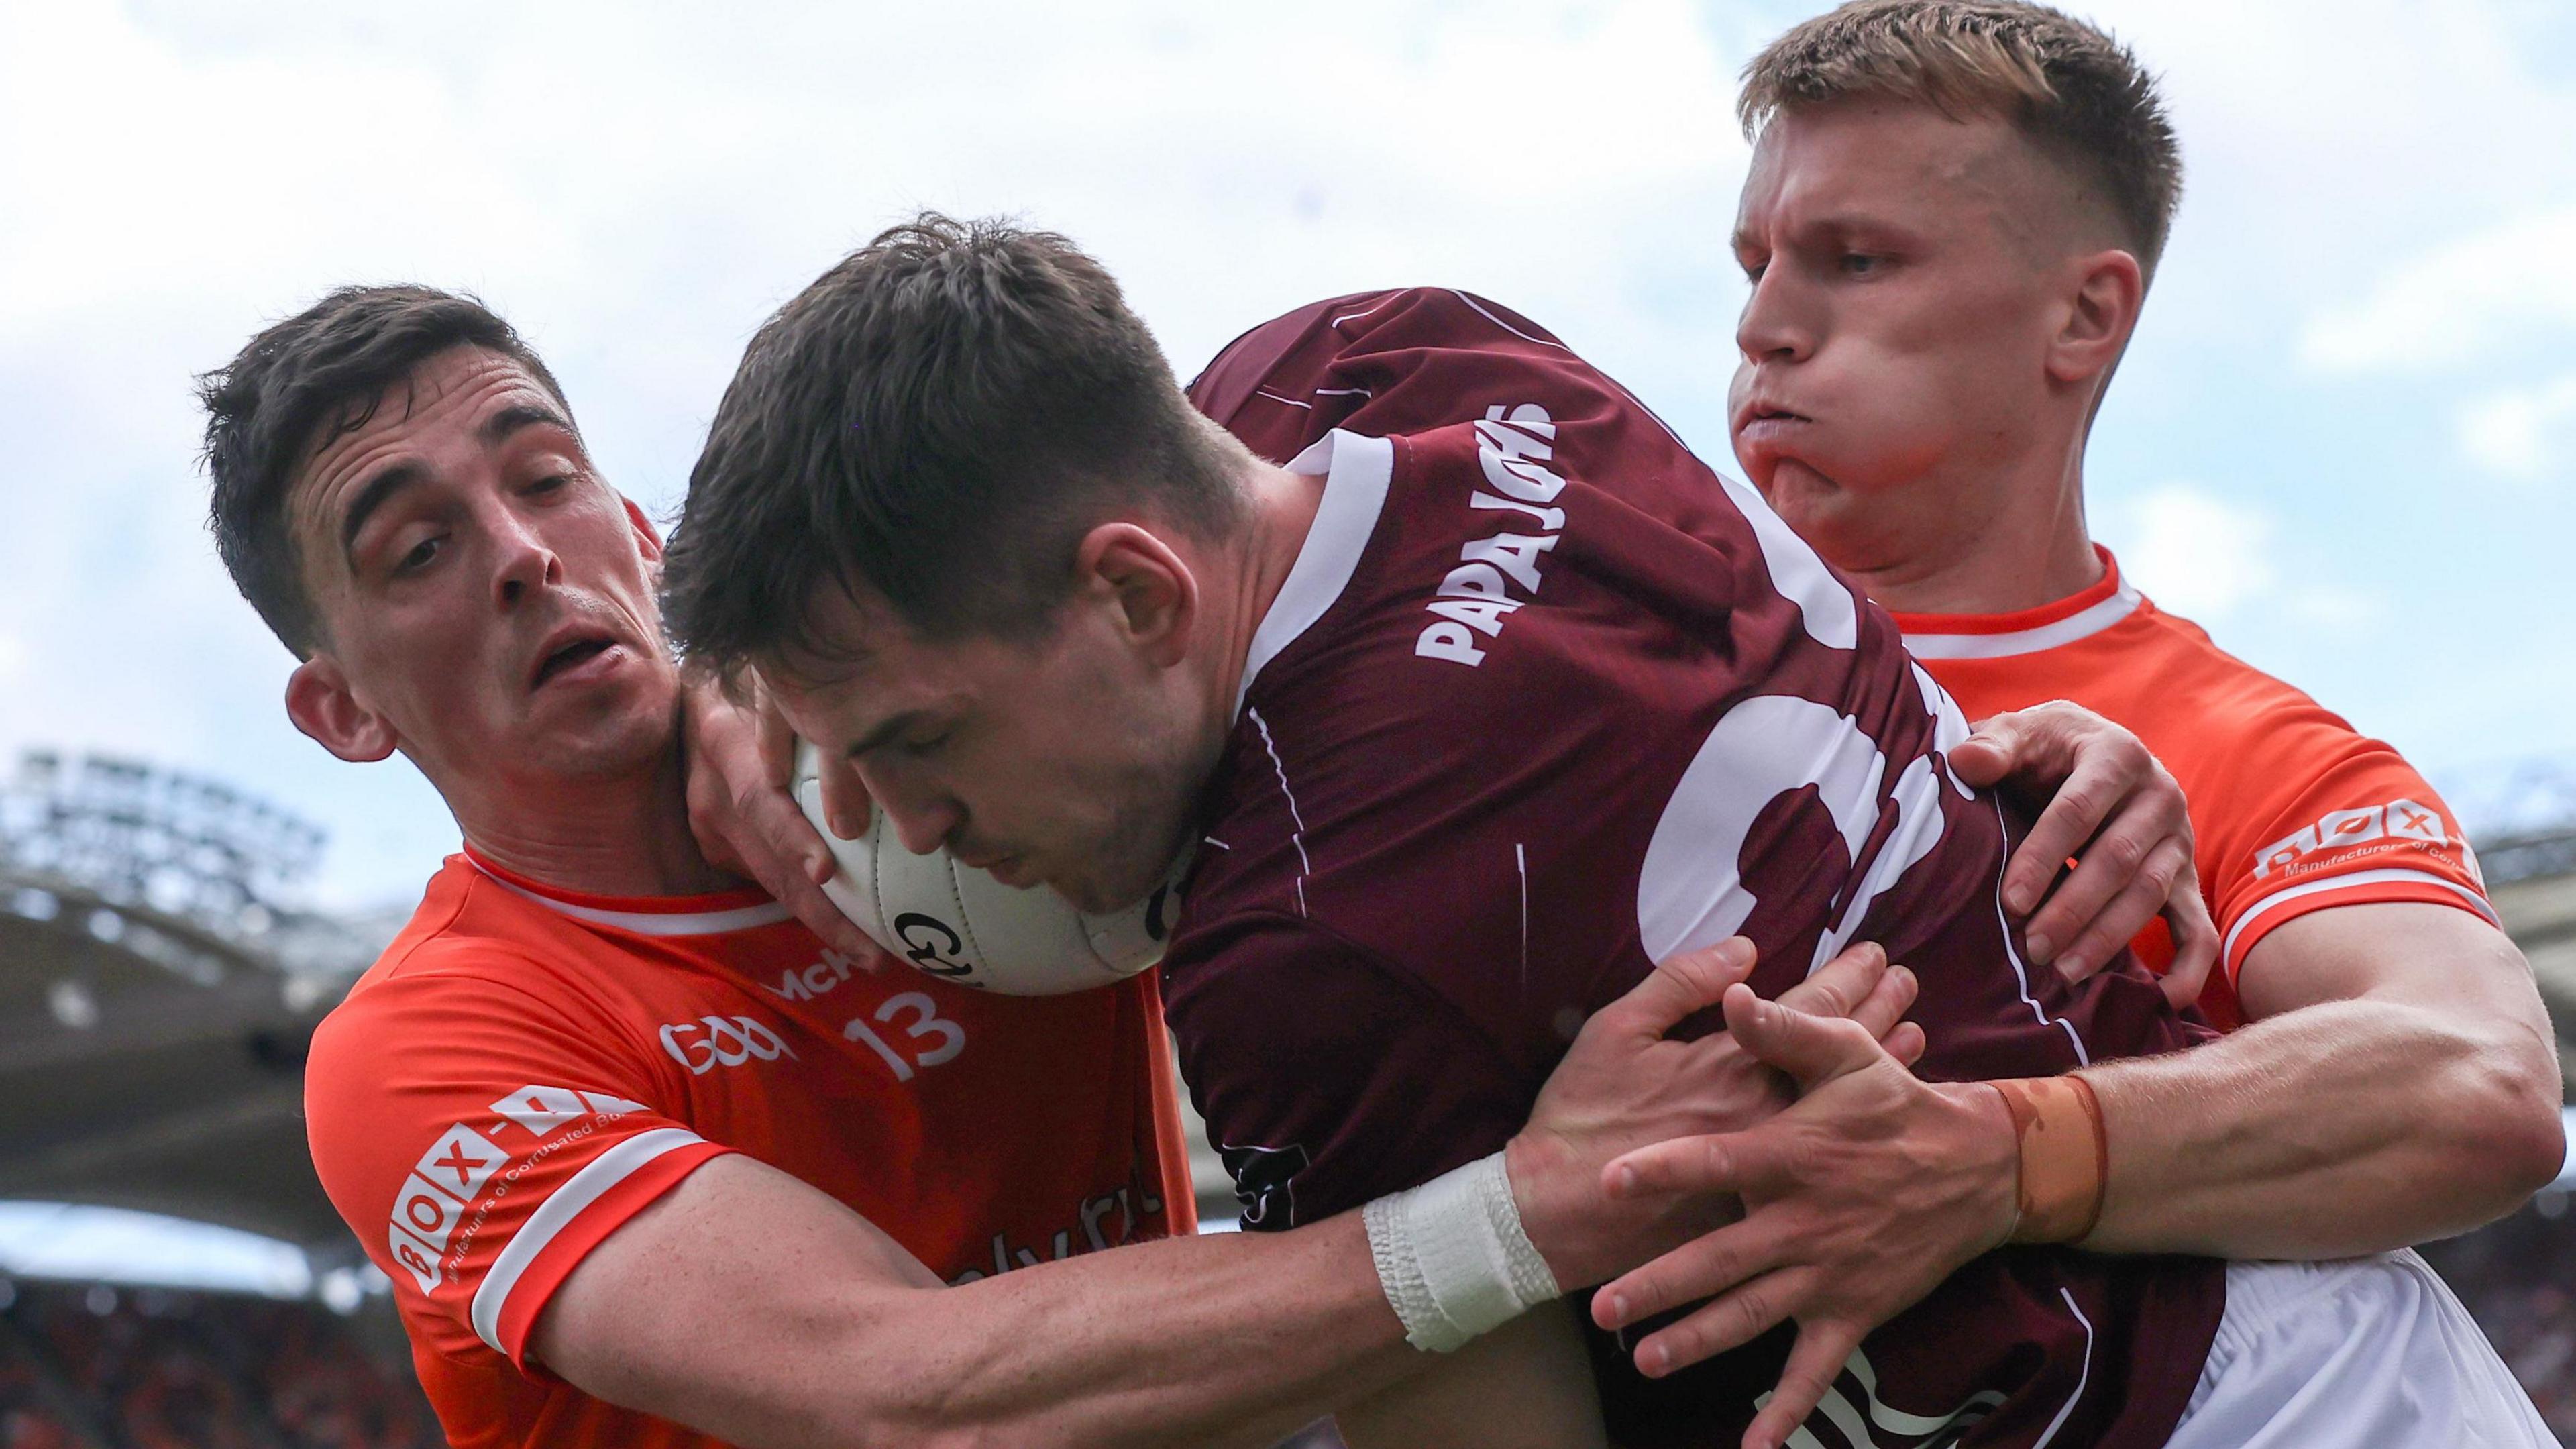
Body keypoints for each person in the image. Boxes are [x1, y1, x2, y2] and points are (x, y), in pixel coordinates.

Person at [659, 215, 2537, 1448]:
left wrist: (1486, 1240)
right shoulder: (1416, 357)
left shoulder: (1311, 944)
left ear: (1139, 600)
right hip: (2355, 1352)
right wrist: (745, 688)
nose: (913, 833)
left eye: (913, 744)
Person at [195, 284, 1960, 1449]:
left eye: (549, 478)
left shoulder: (995, 730)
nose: (523, 556)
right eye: (419, 546)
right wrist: (1524, 1214)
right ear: (342, 711)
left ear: (642, 528)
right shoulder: (430, 1050)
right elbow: (887, 1394)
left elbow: (1166, 522)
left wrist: (2004, 744)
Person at [1534, 4, 2564, 1442]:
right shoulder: (1592, 681)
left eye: (1855, 261)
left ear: (2084, 315)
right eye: (1755, 262)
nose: (1762, 325)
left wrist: (2006, 1159)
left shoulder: (2252, 750)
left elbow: (2482, 1087)